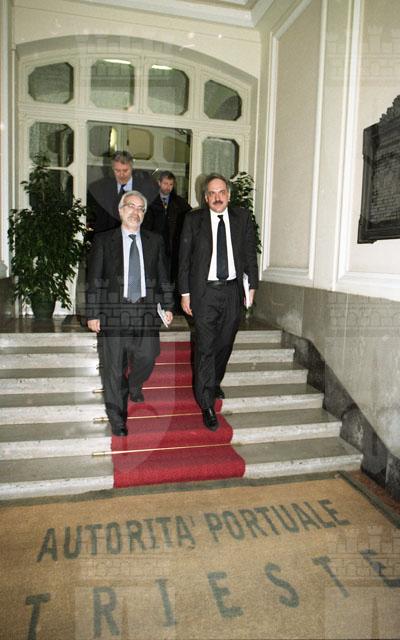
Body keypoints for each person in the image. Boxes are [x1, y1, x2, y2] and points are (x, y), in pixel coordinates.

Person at [86, 190, 174, 436]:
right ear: (120, 210)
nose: (136, 212)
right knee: (113, 368)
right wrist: (92, 313)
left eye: (140, 208)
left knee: (148, 355)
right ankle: (118, 419)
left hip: (145, 310)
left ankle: (134, 384)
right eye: (131, 207)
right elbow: (94, 278)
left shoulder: (154, 241)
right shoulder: (104, 240)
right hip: (114, 310)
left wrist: (168, 306)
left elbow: (163, 276)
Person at [178, 173, 258, 431]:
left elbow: (249, 253)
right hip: (204, 293)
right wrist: (185, 293)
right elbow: (184, 259)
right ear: (205, 197)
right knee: (206, 346)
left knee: (225, 343)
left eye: (221, 192)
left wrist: (252, 285)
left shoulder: (242, 218)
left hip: (233, 291)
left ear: (229, 195)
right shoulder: (193, 220)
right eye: (211, 193)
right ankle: (207, 403)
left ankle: (214, 381)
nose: (217, 197)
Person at [87, 150, 158, 234]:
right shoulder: (99, 188)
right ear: (112, 169)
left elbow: (154, 218)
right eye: (117, 170)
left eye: (125, 170)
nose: (121, 175)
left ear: (132, 168)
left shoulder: (147, 188)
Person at [142, 170, 191, 285]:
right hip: (154, 244)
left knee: (171, 276)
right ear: (159, 183)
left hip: (173, 245)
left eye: (171, 184)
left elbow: (190, 218)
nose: (168, 187)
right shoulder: (149, 201)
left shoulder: (179, 202)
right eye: (165, 183)